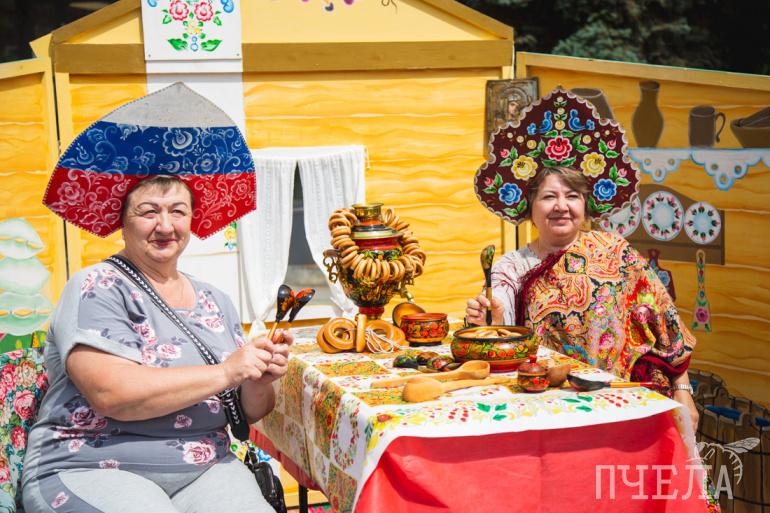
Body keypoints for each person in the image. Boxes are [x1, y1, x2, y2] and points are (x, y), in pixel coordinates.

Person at [23, 84, 287, 513]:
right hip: (92, 465)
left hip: (205, 468)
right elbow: (113, 395)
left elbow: (247, 411)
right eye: (149, 212)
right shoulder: (96, 286)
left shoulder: (216, 300)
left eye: (178, 211)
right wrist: (227, 370)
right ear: (123, 222)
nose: (165, 226)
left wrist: (258, 378)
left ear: (191, 220)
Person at [470, 88, 699, 430]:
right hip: (546, 409)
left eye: (572, 196)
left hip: (621, 403)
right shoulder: (511, 267)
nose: (561, 206)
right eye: (549, 197)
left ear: (586, 205)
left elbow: (665, 325)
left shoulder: (617, 253)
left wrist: (684, 392)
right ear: (530, 208)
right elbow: (500, 327)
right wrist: (489, 320)